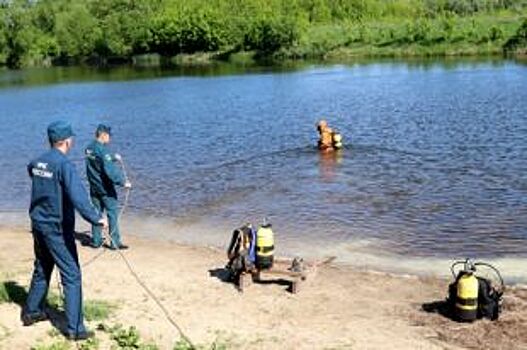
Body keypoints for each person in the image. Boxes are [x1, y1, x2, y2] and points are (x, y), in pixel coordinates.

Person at [23, 121, 107, 340]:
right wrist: (97, 218)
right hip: (56, 228)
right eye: (72, 138)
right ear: (67, 141)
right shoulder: (64, 165)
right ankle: (76, 329)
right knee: (72, 275)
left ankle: (31, 312)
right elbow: (79, 198)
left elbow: (31, 169)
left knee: (42, 267)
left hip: (38, 224)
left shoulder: (39, 161)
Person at [85, 124, 131, 250]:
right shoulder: (103, 150)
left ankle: (96, 241)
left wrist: (113, 157)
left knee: (97, 213)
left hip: (94, 187)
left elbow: (98, 160)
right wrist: (123, 182)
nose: (110, 138)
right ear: (103, 135)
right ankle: (115, 242)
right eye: (109, 135)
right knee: (112, 213)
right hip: (105, 188)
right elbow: (109, 171)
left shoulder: (89, 148)